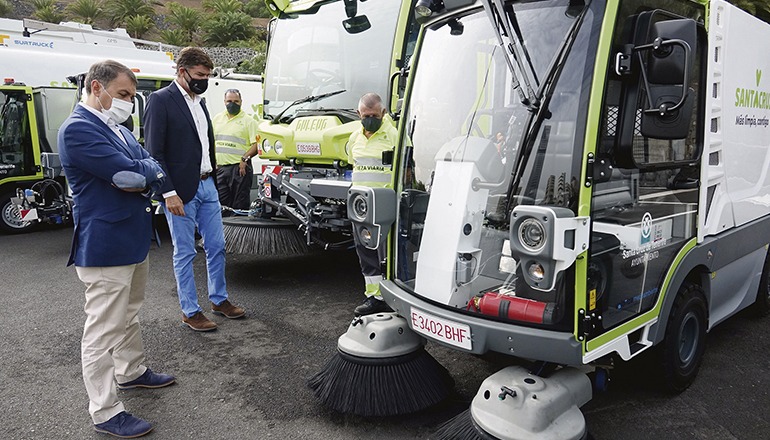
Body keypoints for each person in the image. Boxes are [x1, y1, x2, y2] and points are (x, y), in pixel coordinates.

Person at [58, 60, 175, 438]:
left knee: (129, 314)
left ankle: (131, 371)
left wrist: (148, 171)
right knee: (103, 330)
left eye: (131, 96)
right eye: (123, 95)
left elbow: (150, 164)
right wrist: (148, 173)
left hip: (129, 240)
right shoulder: (78, 129)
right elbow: (130, 176)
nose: (127, 102)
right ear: (97, 88)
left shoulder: (116, 128)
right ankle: (105, 411)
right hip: (106, 245)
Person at [144, 47, 245, 332]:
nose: (204, 80)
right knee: (185, 252)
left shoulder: (200, 103)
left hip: (208, 185)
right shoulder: (160, 100)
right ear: (182, 72)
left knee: (217, 247)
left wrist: (211, 176)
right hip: (179, 191)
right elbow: (154, 152)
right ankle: (190, 310)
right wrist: (167, 192)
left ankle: (219, 299)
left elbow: (205, 145)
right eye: (200, 75)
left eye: (208, 76)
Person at [348, 93, 398, 315]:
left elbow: (406, 170)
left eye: (375, 116)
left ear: (383, 113)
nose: (370, 120)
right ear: (359, 114)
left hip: (385, 208)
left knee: (387, 255)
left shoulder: (395, 136)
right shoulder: (354, 138)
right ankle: (374, 297)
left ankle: (393, 298)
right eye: (366, 116)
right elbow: (354, 164)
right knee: (366, 254)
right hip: (361, 208)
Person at [212, 88, 260, 212]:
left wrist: (245, 158)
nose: (232, 104)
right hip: (221, 169)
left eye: (236, 101)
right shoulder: (217, 119)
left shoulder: (249, 121)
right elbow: (211, 141)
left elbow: (257, 144)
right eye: (229, 101)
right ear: (224, 102)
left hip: (239, 169)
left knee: (240, 205)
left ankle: (240, 231)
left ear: (241, 102)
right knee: (221, 206)